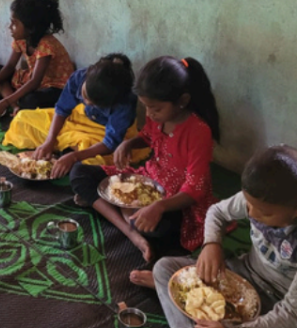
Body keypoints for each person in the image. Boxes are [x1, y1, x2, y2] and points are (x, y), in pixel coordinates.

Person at [145, 145, 297, 328]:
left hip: (277, 304)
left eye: (264, 214)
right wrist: (212, 244)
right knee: (164, 269)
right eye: (248, 205)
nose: (252, 213)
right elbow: (217, 212)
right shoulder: (259, 201)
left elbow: (291, 315)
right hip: (243, 274)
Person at [69, 56, 220, 262]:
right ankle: (131, 232)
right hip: (149, 180)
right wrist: (128, 144)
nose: (150, 113)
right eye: (146, 107)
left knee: (160, 227)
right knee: (79, 173)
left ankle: (116, 210)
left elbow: (195, 188)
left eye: (156, 109)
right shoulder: (157, 117)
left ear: (183, 101)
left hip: (177, 200)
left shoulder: (198, 131)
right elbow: (148, 136)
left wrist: (160, 207)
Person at [4, 53, 146, 168]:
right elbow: (62, 110)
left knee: (95, 160)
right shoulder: (80, 76)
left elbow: (110, 143)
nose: (87, 103)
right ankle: (67, 147)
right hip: (79, 118)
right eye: (84, 96)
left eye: (94, 103)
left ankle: (70, 149)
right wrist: (49, 140)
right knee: (22, 119)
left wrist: (75, 156)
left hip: (103, 133)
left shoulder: (124, 103)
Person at [0, 0, 74, 121]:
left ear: (31, 28)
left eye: (14, 23)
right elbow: (10, 66)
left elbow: (35, 81)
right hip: (32, 79)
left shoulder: (46, 45)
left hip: (55, 87)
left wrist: (5, 102)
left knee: (30, 100)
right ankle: (15, 105)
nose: (10, 27)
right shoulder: (21, 40)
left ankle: (8, 96)